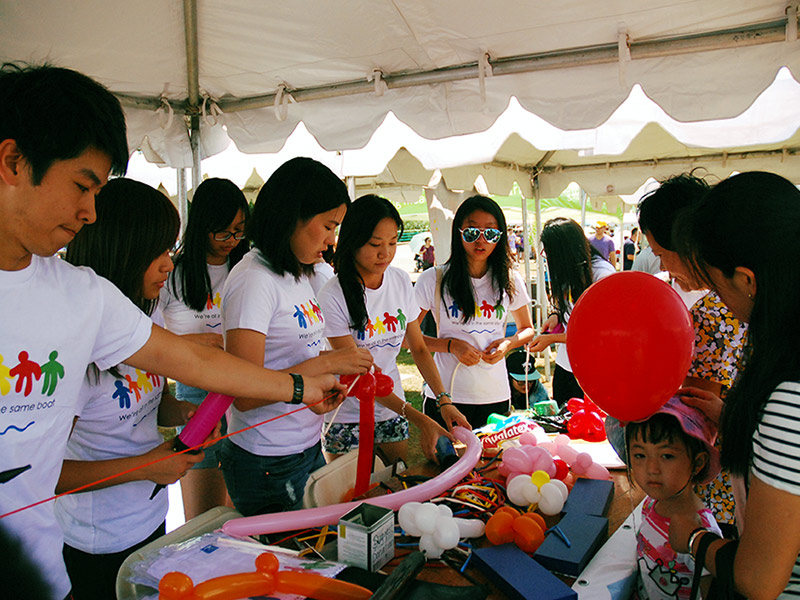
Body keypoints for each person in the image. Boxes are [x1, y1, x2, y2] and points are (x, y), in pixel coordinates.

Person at [0, 63, 341, 600]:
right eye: (82, 186)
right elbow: (47, 469)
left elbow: (197, 364)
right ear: (14, 161)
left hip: (73, 564)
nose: (90, 212)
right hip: (85, 543)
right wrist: (142, 465)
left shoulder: (83, 293)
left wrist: (297, 387)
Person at [54, 178, 203, 599]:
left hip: (150, 518)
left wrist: (180, 414)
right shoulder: (74, 353)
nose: (168, 265)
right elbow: (46, 474)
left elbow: (149, 403)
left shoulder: (143, 325)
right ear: (121, 251)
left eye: (170, 250)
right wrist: (144, 467)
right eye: (157, 252)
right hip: (97, 542)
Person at [668, 172, 800, 598]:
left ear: (746, 279)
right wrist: (734, 418)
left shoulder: (788, 394)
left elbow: (759, 579)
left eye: (714, 280)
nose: (716, 296)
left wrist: (693, 538)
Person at [219, 157, 373, 517]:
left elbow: (291, 363)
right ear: (293, 215)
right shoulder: (253, 281)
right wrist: (325, 363)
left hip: (304, 446)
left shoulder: (303, 273)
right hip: (267, 460)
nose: (332, 239)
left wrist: (315, 391)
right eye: (328, 226)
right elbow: (242, 393)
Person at [609, 173, 747, 531]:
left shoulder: (714, 315)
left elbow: (694, 413)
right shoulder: (736, 303)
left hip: (715, 500)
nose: (664, 268)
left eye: (660, 254)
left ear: (686, 241)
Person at [318, 195, 462, 462]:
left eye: (393, 243)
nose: (385, 253)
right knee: (352, 500)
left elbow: (418, 347)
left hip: (392, 411)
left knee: (395, 484)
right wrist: (419, 418)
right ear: (353, 241)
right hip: (347, 415)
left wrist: (444, 400)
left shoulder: (398, 280)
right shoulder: (333, 294)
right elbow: (361, 374)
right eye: (375, 244)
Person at [159, 177, 249, 519]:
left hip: (245, 392)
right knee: (203, 517)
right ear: (201, 227)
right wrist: (195, 345)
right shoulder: (173, 273)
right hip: (195, 397)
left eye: (238, 231)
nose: (231, 240)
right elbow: (146, 343)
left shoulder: (247, 268)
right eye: (222, 232)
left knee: (240, 513)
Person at [415, 195, 534, 429]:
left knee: (493, 463)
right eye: (471, 232)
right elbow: (408, 339)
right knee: (447, 464)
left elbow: (527, 329)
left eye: (490, 233)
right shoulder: (433, 279)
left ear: (500, 237)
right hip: (446, 395)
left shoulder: (510, 280)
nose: (481, 240)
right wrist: (450, 345)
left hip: (495, 395)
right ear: (458, 234)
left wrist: (507, 344)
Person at [626, 397, 723, 600]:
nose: (652, 469)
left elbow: (711, 593)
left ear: (697, 463)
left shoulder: (701, 531)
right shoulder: (650, 504)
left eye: (667, 456)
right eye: (640, 456)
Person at [527, 217, 616, 406]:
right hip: (566, 365)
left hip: (593, 370)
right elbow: (566, 305)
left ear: (564, 251)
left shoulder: (602, 275)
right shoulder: (571, 271)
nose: (547, 257)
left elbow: (599, 332)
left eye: (549, 252)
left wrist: (551, 339)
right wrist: (555, 316)